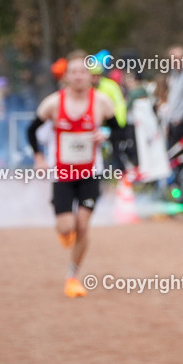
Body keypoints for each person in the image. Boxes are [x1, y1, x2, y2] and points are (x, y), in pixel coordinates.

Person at [27, 51, 118, 298]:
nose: (79, 76)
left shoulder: (101, 101)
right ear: (66, 76)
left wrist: (106, 135)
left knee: (83, 226)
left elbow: (119, 129)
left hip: (91, 173)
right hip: (63, 174)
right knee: (67, 227)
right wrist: (39, 156)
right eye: (74, 72)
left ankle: (73, 276)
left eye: (83, 72)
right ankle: (63, 226)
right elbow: (31, 129)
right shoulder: (53, 103)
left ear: (91, 76)